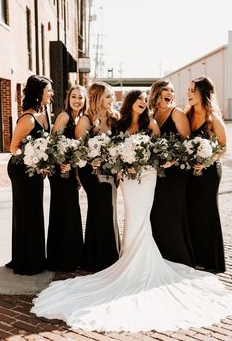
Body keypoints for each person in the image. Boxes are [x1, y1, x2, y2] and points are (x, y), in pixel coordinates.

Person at [31, 90, 232, 333]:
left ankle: (142, 261)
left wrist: (164, 160)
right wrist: (118, 164)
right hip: (126, 178)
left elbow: (162, 150)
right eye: (139, 100)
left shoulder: (153, 123)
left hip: (147, 177)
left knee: (142, 218)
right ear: (131, 102)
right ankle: (128, 259)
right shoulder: (120, 122)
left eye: (146, 101)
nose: (143, 104)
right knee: (131, 217)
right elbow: (112, 149)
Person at [6, 75, 53, 275]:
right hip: (22, 170)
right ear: (38, 93)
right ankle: (26, 262)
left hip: (33, 170)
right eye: (48, 90)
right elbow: (13, 147)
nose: (51, 93)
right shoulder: (27, 119)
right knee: (27, 213)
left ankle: (28, 256)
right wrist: (35, 162)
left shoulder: (42, 113)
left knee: (32, 213)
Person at [74, 81, 120, 272]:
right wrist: (88, 162)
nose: (112, 100)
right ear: (97, 98)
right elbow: (76, 150)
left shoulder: (114, 118)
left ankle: (104, 255)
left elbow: (119, 145)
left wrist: (116, 167)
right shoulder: (86, 120)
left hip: (110, 169)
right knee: (100, 208)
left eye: (112, 96)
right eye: (108, 96)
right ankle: (99, 259)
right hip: (90, 172)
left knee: (109, 209)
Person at [148, 79, 195, 267]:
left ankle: (178, 257)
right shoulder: (150, 114)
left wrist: (174, 159)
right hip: (156, 173)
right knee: (157, 211)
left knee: (172, 212)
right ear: (157, 93)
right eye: (166, 90)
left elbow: (189, 143)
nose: (170, 94)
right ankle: (160, 254)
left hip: (176, 173)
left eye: (173, 91)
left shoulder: (177, 113)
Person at [185, 76, 226, 273]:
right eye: (189, 89)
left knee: (207, 212)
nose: (189, 93)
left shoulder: (213, 118)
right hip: (190, 173)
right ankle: (195, 256)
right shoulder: (187, 114)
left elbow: (223, 147)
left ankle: (211, 259)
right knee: (192, 211)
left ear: (203, 92)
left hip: (209, 172)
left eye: (193, 90)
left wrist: (206, 161)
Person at [46, 85, 87, 272]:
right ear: (68, 99)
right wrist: (61, 163)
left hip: (70, 171)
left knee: (71, 211)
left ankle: (71, 255)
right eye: (74, 97)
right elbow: (53, 143)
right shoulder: (64, 116)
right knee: (64, 211)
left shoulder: (79, 119)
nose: (77, 100)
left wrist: (76, 172)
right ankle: (60, 259)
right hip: (60, 170)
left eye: (80, 97)